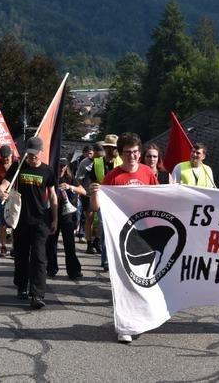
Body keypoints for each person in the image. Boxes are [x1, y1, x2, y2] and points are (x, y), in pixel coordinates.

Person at [90, 132, 157, 343]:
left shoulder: (147, 173)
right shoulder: (113, 177)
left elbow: (159, 200)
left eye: (136, 152)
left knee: (143, 279)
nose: (133, 156)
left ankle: (139, 319)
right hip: (121, 236)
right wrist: (93, 193)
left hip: (145, 234)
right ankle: (124, 326)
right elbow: (96, 207)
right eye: (128, 152)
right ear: (121, 153)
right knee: (123, 281)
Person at [0, 137, 58, 309]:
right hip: (21, 220)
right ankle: (21, 286)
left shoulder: (48, 171)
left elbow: (53, 196)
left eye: (34, 154)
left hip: (41, 220)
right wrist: (1, 191)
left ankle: (37, 294)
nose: (31, 158)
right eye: (29, 154)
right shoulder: (18, 167)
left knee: (39, 257)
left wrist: (55, 218)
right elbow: (4, 184)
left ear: (41, 152)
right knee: (21, 255)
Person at [46, 158, 85, 279]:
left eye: (64, 166)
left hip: (67, 215)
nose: (62, 168)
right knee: (51, 243)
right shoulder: (50, 176)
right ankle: (51, 268)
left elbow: (83, 191)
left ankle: (73, 270)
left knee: (69, 243)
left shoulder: (71, 178)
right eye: (59, 165)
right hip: (52, 213)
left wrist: (70, 187)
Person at [75, 142, 104, 254]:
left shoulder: (104, 161)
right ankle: (89, 243)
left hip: (102, 193)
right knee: (90, 218)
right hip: (88, 193)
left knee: (102, 219)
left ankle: (97, 240)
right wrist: (84, 191)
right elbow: (78, 178)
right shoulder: (85, 162)